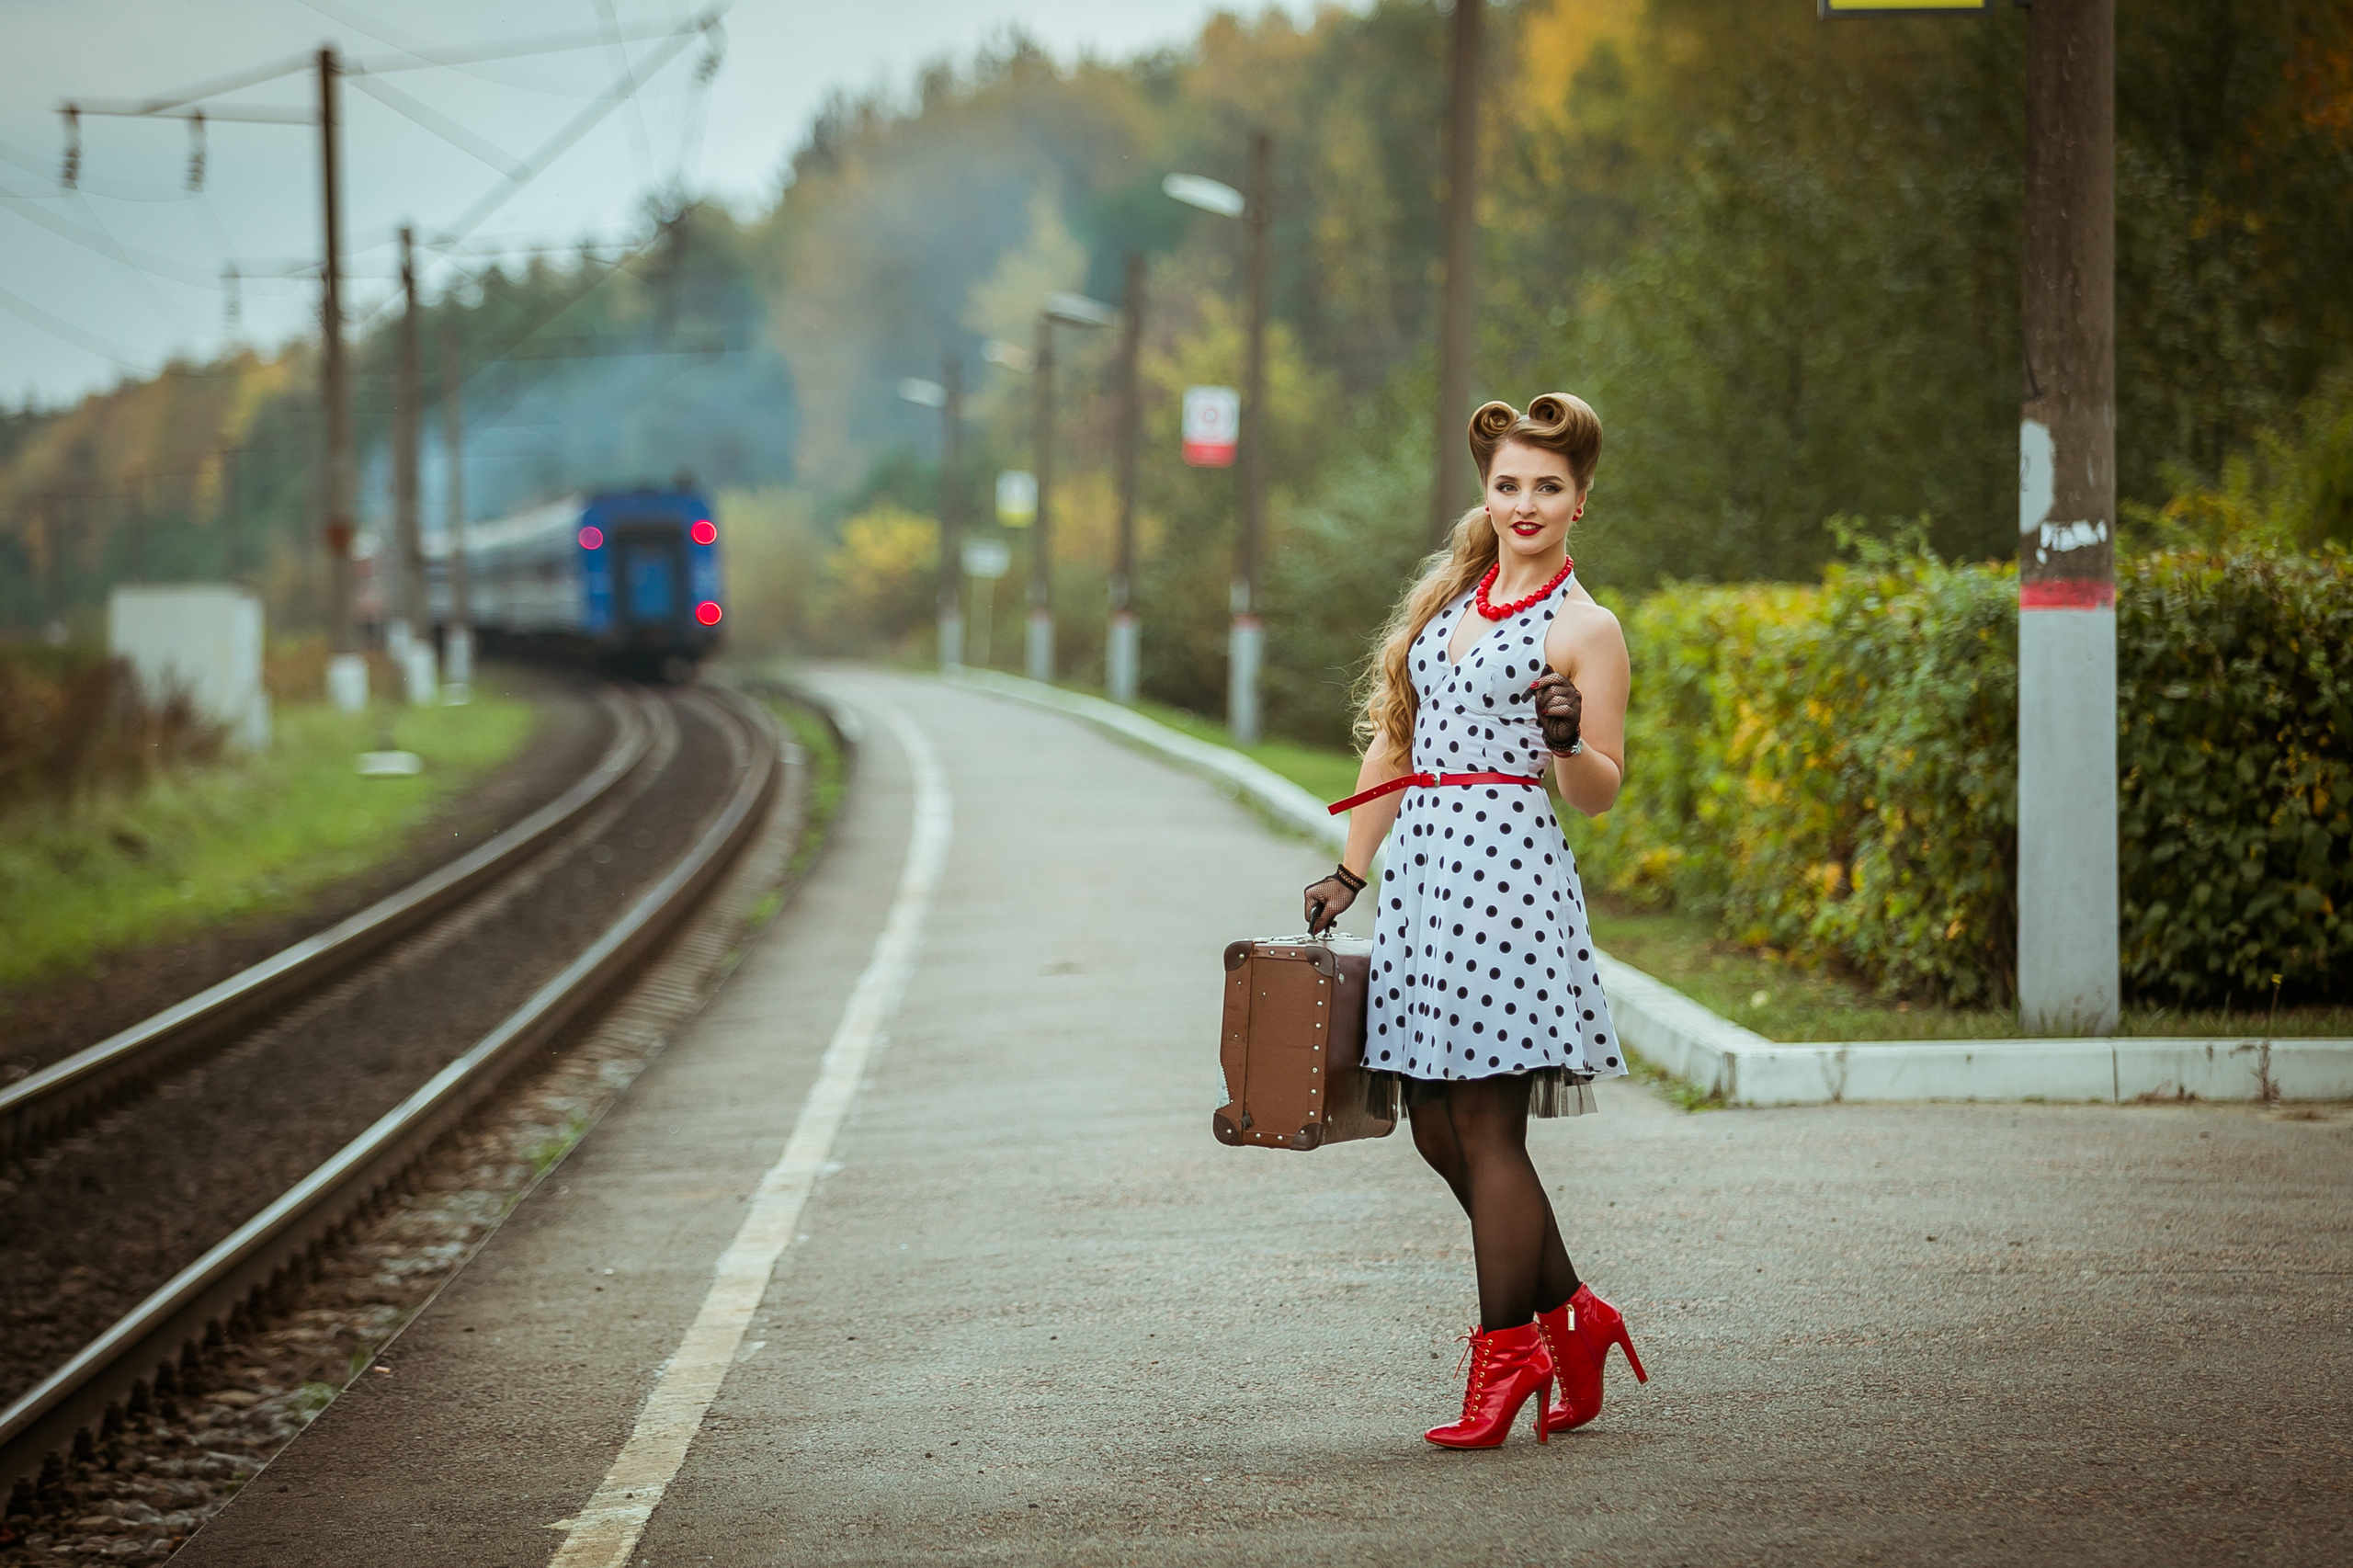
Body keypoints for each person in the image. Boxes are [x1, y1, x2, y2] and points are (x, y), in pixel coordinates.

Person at [1304, 394, 1648, 1449]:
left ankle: (1506, 1363)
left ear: (1580, 501)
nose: (1526, 502)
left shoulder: (1585, 629)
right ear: (1488, 493)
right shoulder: (1453, 603)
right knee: (1434, 1126)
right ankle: (1575, 1317)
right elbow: (1395, 745)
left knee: (1488, 1125)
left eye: (1548, 486)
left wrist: (1564, 739)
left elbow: (1596, 793)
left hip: (1506, 885)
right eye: (1509, 484)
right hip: (1421, 889)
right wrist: (1349, 868)